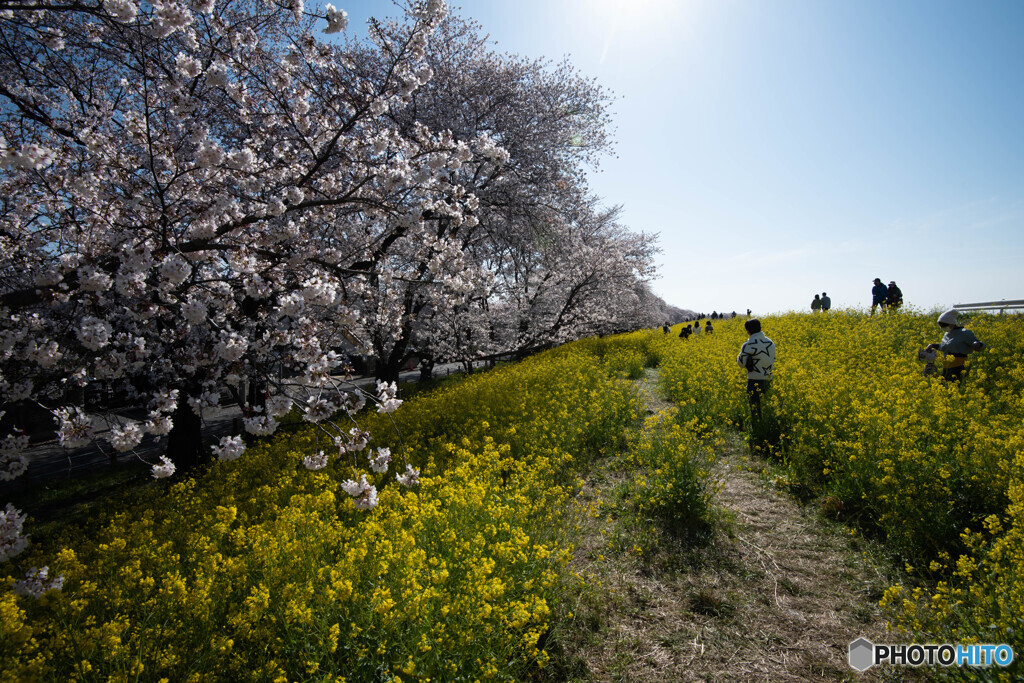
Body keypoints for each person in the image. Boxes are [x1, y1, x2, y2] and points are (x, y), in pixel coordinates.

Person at [926, 309, 984, 381]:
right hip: (946, 367)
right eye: (940, 325)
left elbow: (979, 345)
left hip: (959, 367)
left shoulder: (965, 333)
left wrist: (978, 344)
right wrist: (933, 345)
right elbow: (945, 347)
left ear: (952, 323)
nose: (942, 327)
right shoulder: (947, 334)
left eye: (944, 325)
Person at [737, 318, 776, 421]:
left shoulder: (748, 345)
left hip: (754, 380)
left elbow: (741, 363)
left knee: (755, 409)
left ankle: (757, 430)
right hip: (768, 378)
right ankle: (768, 426)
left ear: (748, 331)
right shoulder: (770, 343)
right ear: (760, 328)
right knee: (766, 406)